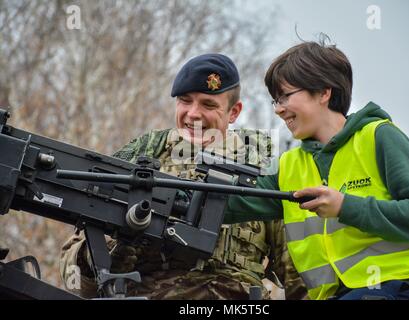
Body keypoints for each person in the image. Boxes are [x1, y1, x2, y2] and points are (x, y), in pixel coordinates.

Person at [60, 53, 306, 300]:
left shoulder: (263, 170)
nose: (193, 114)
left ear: (234, 112)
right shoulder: (141, 158)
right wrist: (104, 250)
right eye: (185, 101)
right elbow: (73, 276)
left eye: (208, 105)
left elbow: (299, 275)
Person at [224, 38, 409, 300]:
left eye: (285, 96)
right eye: (275, 100)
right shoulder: (288, 166)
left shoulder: (378, 136)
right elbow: (231, 202)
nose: (278, 109)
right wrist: (171, 191)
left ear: (323, 92)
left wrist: (346, 207)